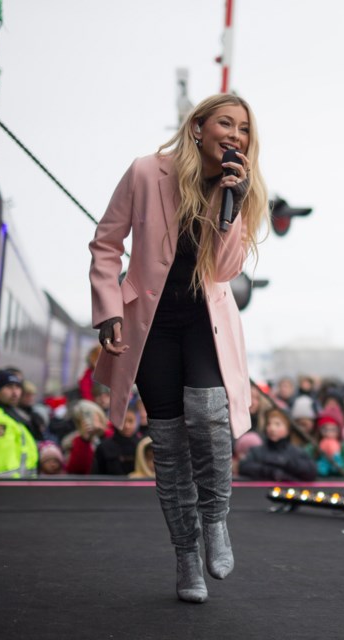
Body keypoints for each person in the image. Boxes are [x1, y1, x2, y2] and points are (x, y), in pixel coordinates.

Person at [89, 93, 268, 603]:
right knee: (167, 446)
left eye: (244, 130)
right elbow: (106, 243)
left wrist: (231, 205)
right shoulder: (148, 173)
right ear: (198, 128)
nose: (236, 135)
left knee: (209, 416)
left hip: (205, 321)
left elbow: (226, 269)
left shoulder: (241, 188)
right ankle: (186, 558)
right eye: (226, 124)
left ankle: (216, 520)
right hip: (153, 326)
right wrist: (108, 308)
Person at [238, 407, 316, 482]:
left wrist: (287, 464)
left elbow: (310, 472)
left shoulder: (298, 452)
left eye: (277, 424)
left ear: (288, 429)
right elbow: (244, 467)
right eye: (269, 424)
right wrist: (270, 471)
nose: (272, 428)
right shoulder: (257, 451)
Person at [93, 408, 143, 475]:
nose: (126, 426)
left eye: (130, 421)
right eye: (123, 421)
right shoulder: (104, 447)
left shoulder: (142, 446)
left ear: (136, 422)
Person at [64, 400, 107, 475]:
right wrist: (84, 440)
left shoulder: (111, 435)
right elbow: (75, 470)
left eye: (93, 417)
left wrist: (103, 431)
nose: (89, 421)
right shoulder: (73, 442)